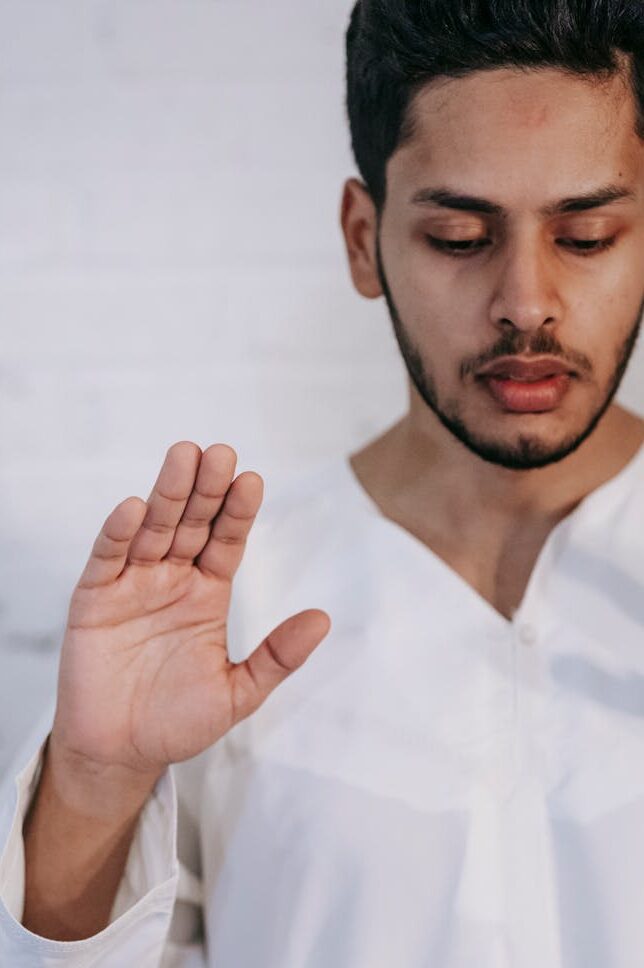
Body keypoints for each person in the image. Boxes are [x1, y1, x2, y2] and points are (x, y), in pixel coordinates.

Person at [1, 0, 643, 964]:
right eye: (460, 238)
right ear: (362, 239)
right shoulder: (221, 605)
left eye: (586, 235)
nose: (526, 304)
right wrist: (95, 782)